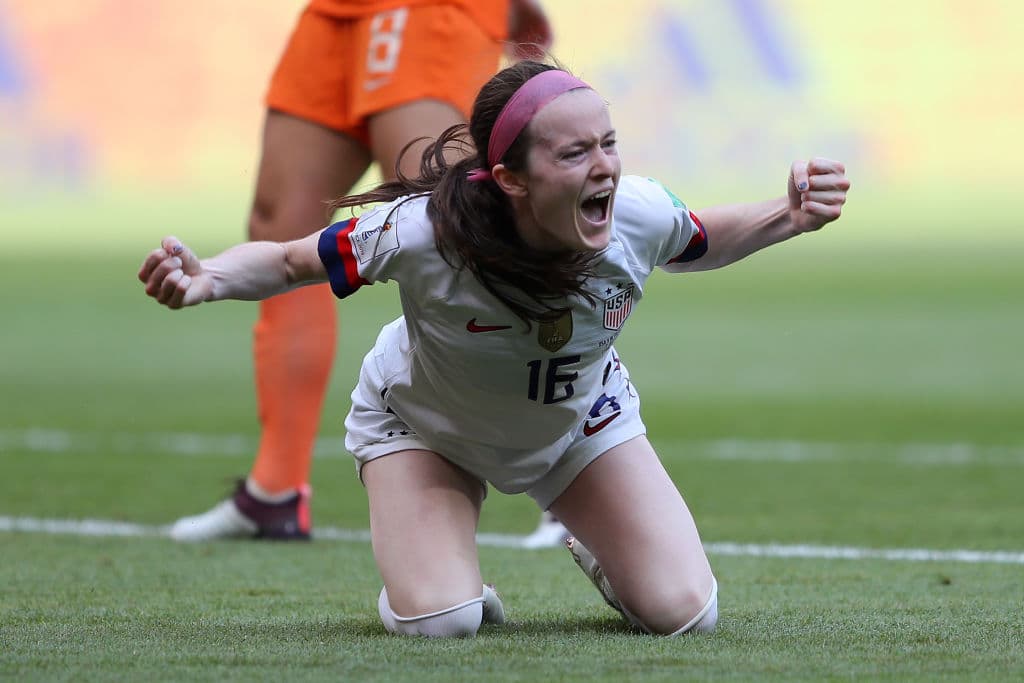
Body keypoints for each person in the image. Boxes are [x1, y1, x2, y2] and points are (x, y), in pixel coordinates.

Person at [139, 60, 850, 637]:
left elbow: (698, 238)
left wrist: (786, 216)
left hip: (581, 422)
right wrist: (208, 279)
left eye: (608, 142)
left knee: (687, 613)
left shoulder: (637, 211)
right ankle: (441, 581)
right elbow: (294, 261)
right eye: (574, 152)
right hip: (425, 427)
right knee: (443, 620)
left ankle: (611, 562)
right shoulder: (420, 234)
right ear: (511, 178)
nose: (603, 165)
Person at [168, 0, 570, 548]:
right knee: (280, 223)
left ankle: (569, 479)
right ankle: (274, 491)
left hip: (423, 8)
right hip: (336, 12)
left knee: (452, 216)